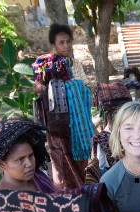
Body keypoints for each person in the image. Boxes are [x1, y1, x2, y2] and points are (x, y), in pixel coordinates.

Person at [32, 23, 92, 190]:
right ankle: (65, 196)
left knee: (80, 159)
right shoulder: (45, 65)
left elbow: (86, 87)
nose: (66, 46)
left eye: (68, 41)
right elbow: (37, 87)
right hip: (57, 124)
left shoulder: (75, 64)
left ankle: (83, 192)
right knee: (61, 159)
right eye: (61, 43)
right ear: (54, 45)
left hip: (78, 124)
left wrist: (70, 89)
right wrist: (49, 88)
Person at [0, 119, 55, 193]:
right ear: (2, 164)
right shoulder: (2, 199)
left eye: (31, 156)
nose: (29, 164)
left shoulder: (39, 179)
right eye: (20, 159)